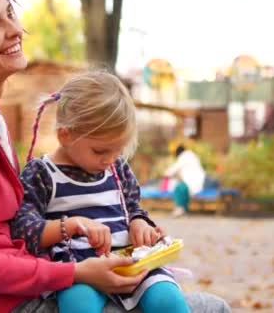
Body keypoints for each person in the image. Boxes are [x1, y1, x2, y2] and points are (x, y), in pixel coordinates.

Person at [0, 0, 231, 312]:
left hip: (20, 286)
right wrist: (74, 272)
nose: (16, 30)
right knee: (212, 308)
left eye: (10, 15)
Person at [11, 71, 189, 312]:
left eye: (118, 150)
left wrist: (140, 224)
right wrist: (71, 225)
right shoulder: (42, 173)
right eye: (100, 151)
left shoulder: (117, 168)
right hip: (80, 273)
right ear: (65, 135)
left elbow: (133, 208)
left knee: (168, 300)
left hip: (131, 264)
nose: (110, 160)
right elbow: (23, 229)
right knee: (78, 305)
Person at [164, 144, 218, 217]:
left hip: (192, 182)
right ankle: (183, 209)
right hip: (200, 181)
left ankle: (179, 209)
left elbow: (171, 171)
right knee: (183, 188)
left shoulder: (184, 157)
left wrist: (166, 174)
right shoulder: (193, 155)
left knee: (179, 188)